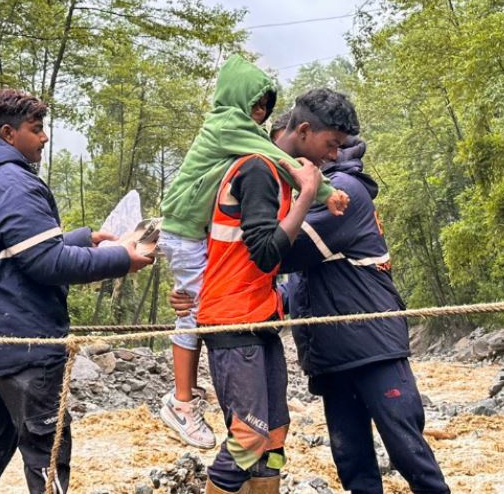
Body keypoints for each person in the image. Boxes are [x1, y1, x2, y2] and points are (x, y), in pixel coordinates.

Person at [172, 135, 450, 494]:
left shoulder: (342, 192)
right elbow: (291, 288)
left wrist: (211, 277)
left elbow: (272, 252)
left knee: (407, 450)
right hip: (333, 354)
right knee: (352, 460)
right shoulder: (314, 194)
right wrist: (197, 293)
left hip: (372, 346)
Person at [0, 89, 153, 494]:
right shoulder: (13, 182)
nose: (44, 138)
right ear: (8, 134)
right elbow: (47, 264)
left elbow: (14, 253)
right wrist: (121, 259)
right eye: (36, 129)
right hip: (25, 345)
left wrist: (83, 239)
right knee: (48, 448)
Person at [157, 56, 348, 450]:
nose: (260, 114)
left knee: (265, 443)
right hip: (191, 239)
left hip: (231, 285)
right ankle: (181, 400)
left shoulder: (247, 146)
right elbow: (266, 249)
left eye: (265, 107)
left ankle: (188, 394)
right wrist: (319, 192)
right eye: (255, 104)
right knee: (247, 445)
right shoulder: (238, 139)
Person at [196, 88, 360, 494]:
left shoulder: (280, 175)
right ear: (303, 130)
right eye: (331, 144)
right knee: (248, 438)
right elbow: (267, 253)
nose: (334, 156)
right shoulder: (257, 168)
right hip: (232, 319)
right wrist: (309, 194)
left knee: (272, 439)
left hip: (260, 318)